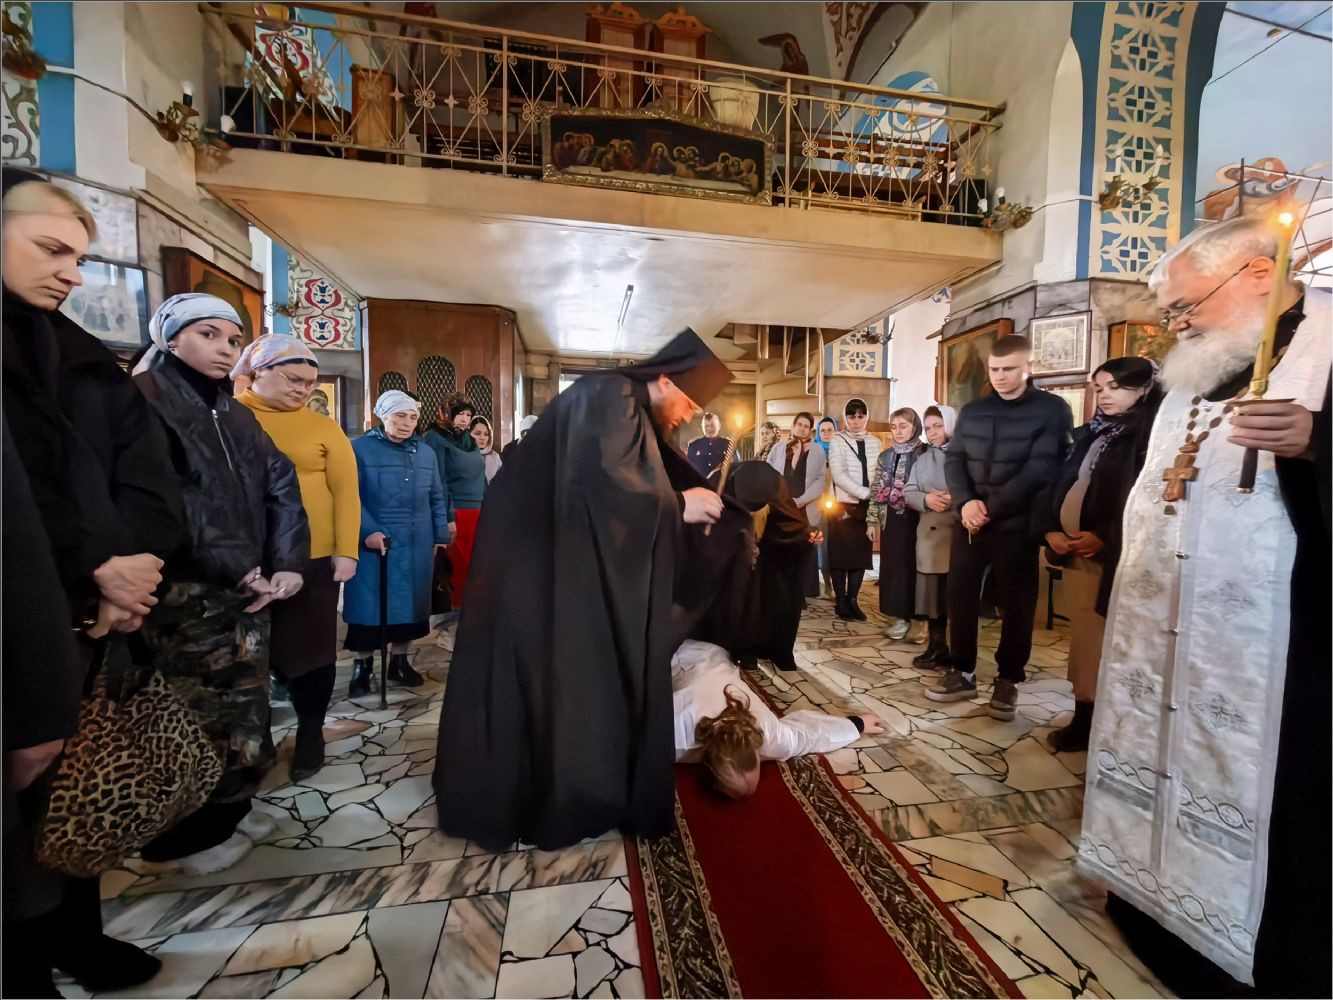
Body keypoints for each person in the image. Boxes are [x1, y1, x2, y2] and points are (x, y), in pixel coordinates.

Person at [1079, 217, 1330, 997]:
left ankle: (1261, 953)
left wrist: (1318, 443)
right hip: (1164, 634)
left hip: (1281, 650)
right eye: (1171, 312)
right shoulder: (1186, 376)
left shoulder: (1322, 351)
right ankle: (1152, 905)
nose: (1177, 325)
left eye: (1186, 306)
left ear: (1258, 272)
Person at [434, 328, 741, 851]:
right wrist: (676, 505)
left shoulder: (629, 409)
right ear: (667, 380)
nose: (689, 415)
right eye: (690, 403)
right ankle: (548, 796)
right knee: (546, 684)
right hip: (534, 574)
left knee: (568, 682)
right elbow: (595, 488)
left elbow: (631, 482)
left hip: (556, 570)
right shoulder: (610, 395)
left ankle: (573, 788)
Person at [2, 168, 185, 996]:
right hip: (26, 607)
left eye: (78, 257)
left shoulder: (75, 354)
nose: (71, 273)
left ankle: (77, 938)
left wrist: (132, 573)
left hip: (93, 613)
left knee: (71, 789)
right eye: (51, 250)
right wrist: (94, 565)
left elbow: (145, 473)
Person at [132, 294, 311, 875]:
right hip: (184, 590)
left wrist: (286, 563)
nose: (224, 349)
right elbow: (166, 502)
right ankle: (183, 836)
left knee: (243, 708)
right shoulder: (143, 401)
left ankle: (230, 811)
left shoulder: (233, 412)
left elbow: (280, 482)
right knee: (191, 712)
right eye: (207, 334)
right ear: (170, 337)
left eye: (233, 340)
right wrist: (239, 566)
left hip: (246, 587)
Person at [234, 334, 361, 782]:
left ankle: (310, 732)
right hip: (246, 558)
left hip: (313, 556)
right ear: (258, 372)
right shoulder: (231, 416)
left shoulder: (323, 427)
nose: (303, 390)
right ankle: (255, 742)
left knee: (311, 650)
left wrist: (346, 550)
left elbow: (346, 492)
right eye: (293, 379)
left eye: (310, 383)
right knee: (248, 655)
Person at [928, 336, 1072, 719]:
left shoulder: (1051, 410)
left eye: (1009, 369)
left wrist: (987, 508)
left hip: (1017, 523)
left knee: (1017, 604)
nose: (1001, 376)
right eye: (994, 369)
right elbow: (955, 460)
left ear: (1028, 368)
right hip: (970, 522)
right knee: (959, 596)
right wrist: (965, 501)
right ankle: (962, 671)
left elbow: (1042, 469)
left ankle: (1008, 678)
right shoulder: (974, 410)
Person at [1040, 358, 1162, 752]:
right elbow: (1060, 484)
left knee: (1104, 642)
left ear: (1144, 389)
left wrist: (1106, 538)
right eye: (1099, 387)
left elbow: (1145, 500)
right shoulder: (1089, 434)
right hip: (1075, 553)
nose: (1104, 395)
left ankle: (1099, 721)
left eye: (1114, 387)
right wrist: (1050, 529)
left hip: (1116, 558)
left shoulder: (1149, 437)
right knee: (1085, 641)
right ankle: (1085, 713)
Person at [672, 640, 883, 798]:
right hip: (677, 650)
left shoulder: (768, 734)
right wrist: (856, 725)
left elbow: (807, 736)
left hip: (717, 651)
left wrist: (857, 724)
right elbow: (806, 736)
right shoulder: (675, 736)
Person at [343, 391, 449, 696]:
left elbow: (437, 495)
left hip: (418, 540)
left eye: (413, 417)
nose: (407, 423)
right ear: (382, 415)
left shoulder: (426, 453)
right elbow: (349, 496)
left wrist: (439, 535)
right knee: (369, 604)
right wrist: (367, 531)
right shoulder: (358, 449)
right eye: (400, 416)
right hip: (375, 540)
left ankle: (400, 662)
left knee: (411, 605)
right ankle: (363, 666)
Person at [695, 461, 822, 672]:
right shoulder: (719, 483)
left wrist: (808, 534)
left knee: (765, 595)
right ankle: (740, 649)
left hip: (768, 550)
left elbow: (790, 524)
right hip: (730, 552)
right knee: (735, 595)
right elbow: (703, 530)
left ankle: (766, 647)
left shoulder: (775, 486)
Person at [902, 405, 959, 669]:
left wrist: (953, 497)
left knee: (954, 596)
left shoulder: (965, 455)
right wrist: (926, 499)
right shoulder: (923, 459)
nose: (932, 432)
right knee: (932, 597)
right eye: (928, 428)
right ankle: (936, 646)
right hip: (928, 536)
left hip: (956, 533)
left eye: (938, 425)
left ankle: (957, 651)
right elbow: (909, 491)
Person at [868, 407, 926, 641]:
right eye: (894, 427)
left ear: (915, 427)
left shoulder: (925, 453)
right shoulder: (886, 456)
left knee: (915, 568)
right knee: (894, 569)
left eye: (903, 426)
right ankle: (900, 617)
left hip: (918, 518)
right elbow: (876, 489)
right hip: (891, 519)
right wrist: (872, 520)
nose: (898, 431)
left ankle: (920, 620)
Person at [827, 398, 883, 620]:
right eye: (852, 416)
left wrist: (873, 498)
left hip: (865, 508)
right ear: (845, 417)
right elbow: (838, 474)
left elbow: (879, 474)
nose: (857, 421)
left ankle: (853, 600)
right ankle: (841, 602)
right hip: (843, 506)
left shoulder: (875, 442)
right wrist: (865, 493)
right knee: (840, 557)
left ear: (866, 417)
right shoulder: (837, 440)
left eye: (861, 416)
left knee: (860, 557)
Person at [423, 396, 480, 608]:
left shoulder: (468, 439)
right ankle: (452, 617)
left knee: (474, 566)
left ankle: (469, 615)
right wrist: (446, 517)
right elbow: (438, 480)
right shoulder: (434, 438)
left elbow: (480, 476)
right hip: (455, 512)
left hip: (476, 511)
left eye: (468, 414)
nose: (465, 419)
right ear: (447, 413)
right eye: (459, 414)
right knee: (456, 567)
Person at [767, 411, 826, 598]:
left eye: (806, 426)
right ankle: (782, 587)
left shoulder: (817, 450)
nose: (802, 429)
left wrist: (800, 500)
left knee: (805, 546)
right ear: (793, 426)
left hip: (804, 506)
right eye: (799, 424)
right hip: (781, 505)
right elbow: (769, 472)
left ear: (810, 430)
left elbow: (820, 480)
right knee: (783, 546)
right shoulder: (779, 447)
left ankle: (805, 590)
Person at [814, 416, 838, 597]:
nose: (826, 433)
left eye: (830, 430)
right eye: (822, 430)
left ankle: (836, 584)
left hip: (839, 504)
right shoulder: (814, 451)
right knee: (821, 545)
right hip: (819, 505)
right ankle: (826, 583)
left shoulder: (841, 450)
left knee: (836, 546)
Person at [686, 410, 731, 478]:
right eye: (706, 426)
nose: (709, 429)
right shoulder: (693, 445)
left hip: (721, 482)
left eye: (712, 425)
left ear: (719, 426)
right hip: (699, 482)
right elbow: (688, 469)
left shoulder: (728, 444)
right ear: (702, 427)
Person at [470, 414, 503, 483]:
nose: (482, 438)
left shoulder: (494, 457)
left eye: (486, 434)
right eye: (477, 433)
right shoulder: (462, 456)